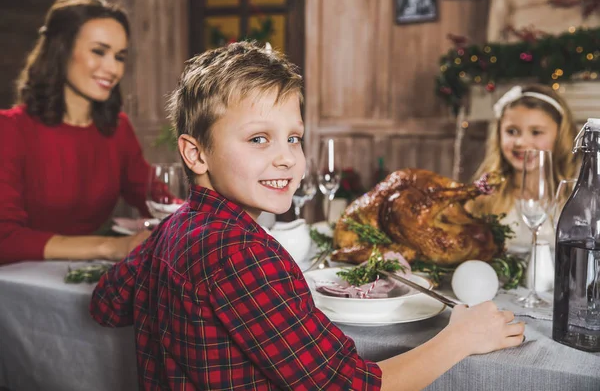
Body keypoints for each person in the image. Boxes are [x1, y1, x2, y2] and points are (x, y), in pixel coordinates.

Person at [90, 41, 525, 390]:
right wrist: (461, 337)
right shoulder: (242, 252)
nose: (286, 159)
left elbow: (106, 304)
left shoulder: (179, 224)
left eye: (294, 138)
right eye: (259, 138)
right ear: (195, 153)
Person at [0, 0, 151, 265]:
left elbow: (156, 196)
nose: (112, 68)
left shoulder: (118, 129)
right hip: (18, 287)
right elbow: (4, 239)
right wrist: (110, 247)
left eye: (119, 56)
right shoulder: (9, 130)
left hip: (84, 279)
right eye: (98, 51)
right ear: (61, 49)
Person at [469, 84, 580, 253]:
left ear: (560, 136)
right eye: (511, 131)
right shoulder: (485, 200)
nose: (520, 142)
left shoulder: (575, 197)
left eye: (536, 132)